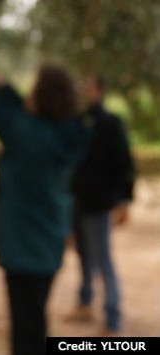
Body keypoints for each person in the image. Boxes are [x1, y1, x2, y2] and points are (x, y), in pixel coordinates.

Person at [0, 27, 91, 355]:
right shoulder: (69, 135)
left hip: (20, 250)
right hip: (49, 246)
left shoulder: (25, 135)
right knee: (35, 319)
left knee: (24, 327)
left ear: (40, 97)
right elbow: (12, 100)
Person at [68, 75, 136, 334]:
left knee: (103, 259)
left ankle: (112, 317)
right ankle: (85, 302)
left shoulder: (110, 124)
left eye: (88, 87)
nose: (84, 91)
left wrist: (123, 200)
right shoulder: (76, 122)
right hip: (77, 202)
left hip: (99, 205)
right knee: (83, 255)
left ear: (99, 90)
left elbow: (124, 164)